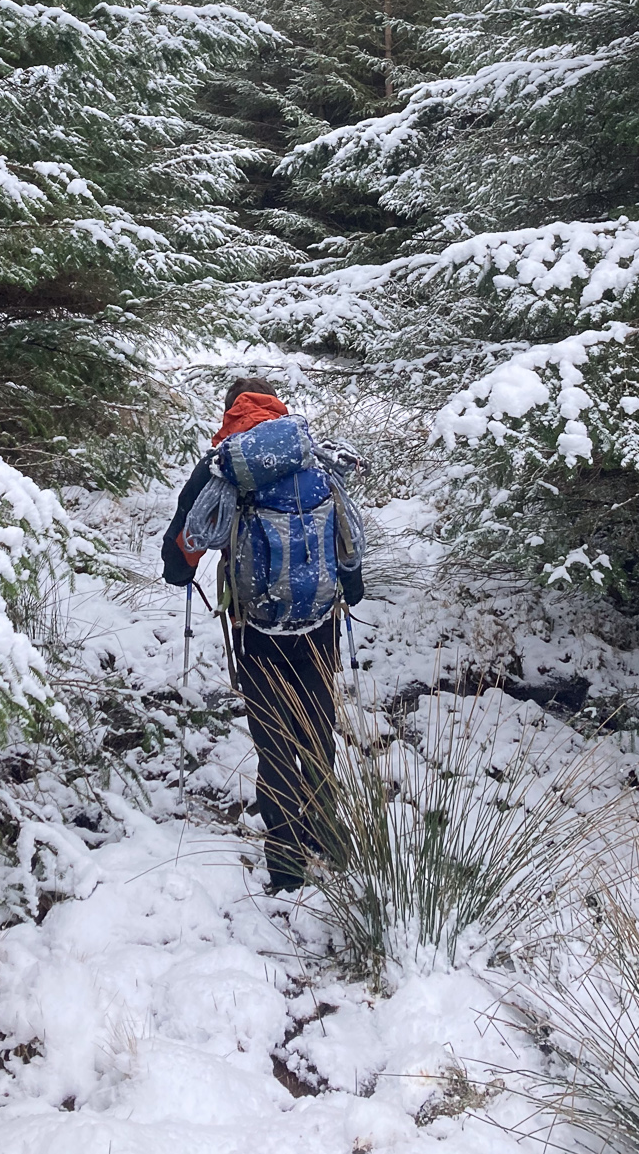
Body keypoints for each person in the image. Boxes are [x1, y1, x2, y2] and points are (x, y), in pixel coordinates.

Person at [161, 376, 364, 893]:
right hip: (320, 623)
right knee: (317, 728)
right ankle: (327, 835)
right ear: (279, 408)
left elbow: (182, 553)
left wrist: (185, 571)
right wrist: (349, 588)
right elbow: (349, 540)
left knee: (274, 740)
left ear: (231, 412)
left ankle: (287, 863)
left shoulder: (224, 468)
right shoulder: (311, 457)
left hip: (257, 630)